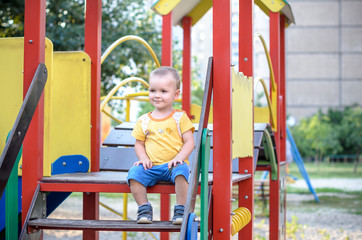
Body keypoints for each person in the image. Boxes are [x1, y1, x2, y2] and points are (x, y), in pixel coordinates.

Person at [127, 66, 195, 225]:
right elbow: (139, 143)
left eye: (163, 91)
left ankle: (181, 209)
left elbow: (189, 142)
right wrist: (143, 159)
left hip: (173, 165)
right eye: (153, 90)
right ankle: (144, 208)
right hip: (151, 167)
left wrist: (179, 158)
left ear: (176, 94)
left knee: (182, 171)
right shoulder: (144, 120)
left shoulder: (180, 117)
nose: (157, 95)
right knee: (134, 174)